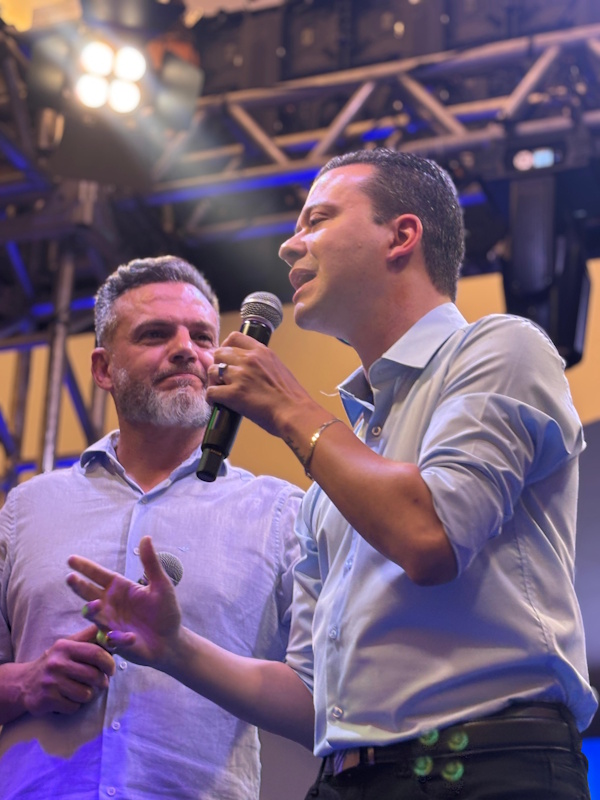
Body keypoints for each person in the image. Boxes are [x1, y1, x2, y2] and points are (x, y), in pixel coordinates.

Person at [66, 150, 598, 799]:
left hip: (486, 768)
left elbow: (430, 537)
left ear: (401, 236)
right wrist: (176, 648)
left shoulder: (500, 348)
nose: (289, 246)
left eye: (316, 220)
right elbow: (313, 698)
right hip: (350, 780)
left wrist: (289, 407)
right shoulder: (336, 467)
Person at [0, 255, 303, 800]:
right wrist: (22, 683)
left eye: (203, 337)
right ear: (102, 369)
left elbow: (328, 704)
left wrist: (181, 651)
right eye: (155, 334)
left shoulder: (280, 513)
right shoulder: (27, 508)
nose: (186, 349)